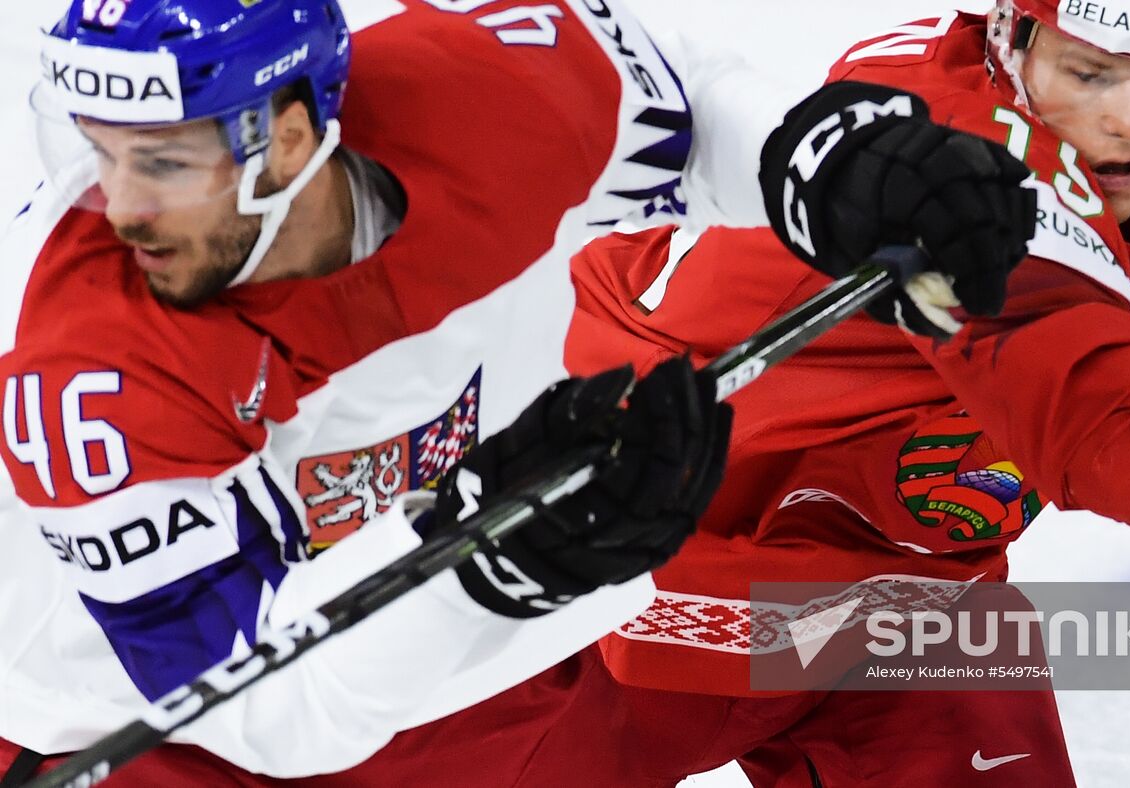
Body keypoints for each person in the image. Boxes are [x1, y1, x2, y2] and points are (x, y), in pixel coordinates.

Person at [0, 0, 1038, 784]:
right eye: (100, 155)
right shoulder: (85, 374)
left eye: (165, 162)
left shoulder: (489, 91)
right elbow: (271, 703)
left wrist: (828, 161)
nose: (121, 209)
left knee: (917, 638)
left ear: (288, 134)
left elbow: (682, 99)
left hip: (500, 682)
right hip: (158, 742)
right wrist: (488, 564)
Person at [552, 0, 1130, 784]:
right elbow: (1114, 430)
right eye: (1090, 73)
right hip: (611, 565)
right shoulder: (946, 150)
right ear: (1012, 41)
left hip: (902, 609)